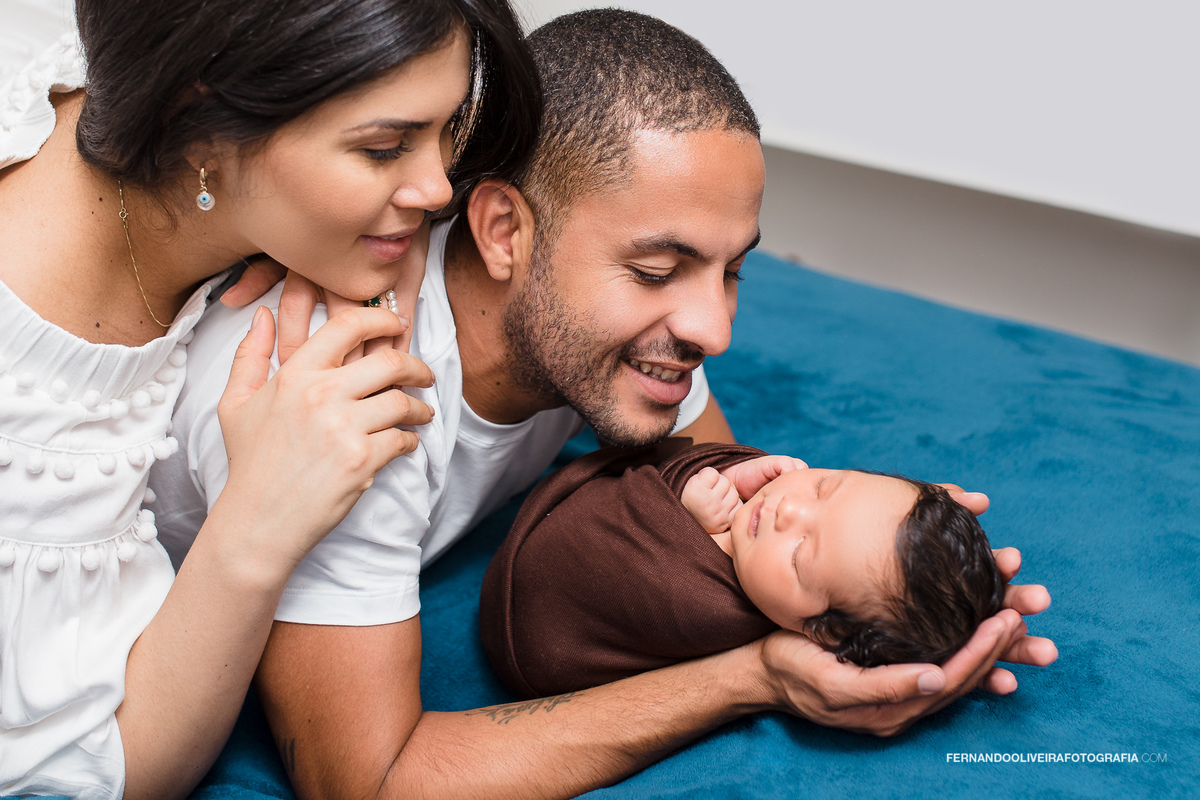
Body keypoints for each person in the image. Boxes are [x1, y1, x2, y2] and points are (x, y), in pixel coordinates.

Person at [154, 9, 1056, 800]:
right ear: (502, 232)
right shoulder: (353, 403)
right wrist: (759, 679)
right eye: (659, 270)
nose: (713, 329)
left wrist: (904, 569)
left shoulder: (629, 343)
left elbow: (725, 491)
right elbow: (375, 779)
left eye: (731, 271)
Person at [0, 0, 537, 797]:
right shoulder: (29, 425)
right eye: (383, 148)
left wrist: (363, 236)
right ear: (200, 126)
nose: (437, 190)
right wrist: (258, 522)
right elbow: (101, 770)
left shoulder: (159, 73)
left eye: (445, 129)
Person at [480, 440, 1007, 698]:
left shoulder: (710, 611)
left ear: (818, 633)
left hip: (534, 627)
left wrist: (688, 517)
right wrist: (732, 471)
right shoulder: (771, 549)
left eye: (799, 553)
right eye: (824, 487)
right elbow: (671, 460)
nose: (787, 509)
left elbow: (620, 563)